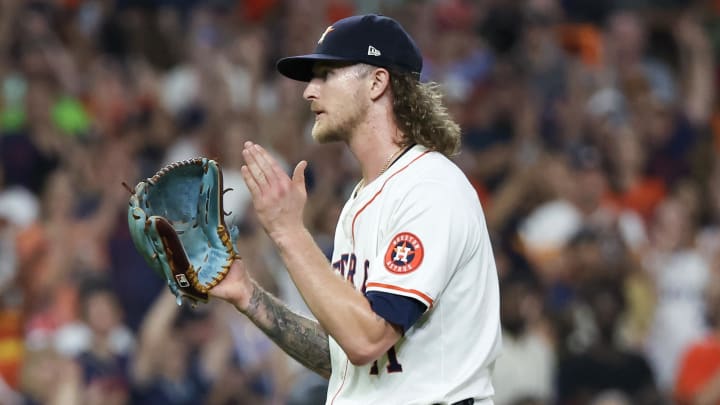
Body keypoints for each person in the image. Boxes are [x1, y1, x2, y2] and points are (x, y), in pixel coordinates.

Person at [209, 14, 502, 404]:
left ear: (377, 82)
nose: (308, 91)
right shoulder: (360, 201)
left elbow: (368, 339)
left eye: (326, 74)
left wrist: (288, 232)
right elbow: (348, 359)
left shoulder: (430, 187)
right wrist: (248, 295)